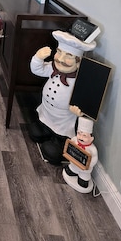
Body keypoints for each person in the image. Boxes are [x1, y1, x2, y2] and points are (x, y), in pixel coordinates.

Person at [28, 30, 96, 164]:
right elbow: (36, 70)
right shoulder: (52, 69)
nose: (60, 59)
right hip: (47, 112)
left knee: (53, 151)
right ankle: (45, 129)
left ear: (78, 62)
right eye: (59, 52)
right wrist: (38, 58)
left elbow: (87, 99)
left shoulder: (80, 81)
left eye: (68, 55)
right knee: (35, 131)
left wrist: (80, 110)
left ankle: (57, 141)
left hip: (63, 122)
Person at [62, 117, 98, 194]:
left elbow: (94, 159)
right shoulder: (74, 140)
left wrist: (89, 164)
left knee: (83, 182)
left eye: (84, 136)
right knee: (71, 169)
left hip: (84, 170)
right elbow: (69, 146)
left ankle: (83, 178)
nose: (81, 137)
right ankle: (73, 170)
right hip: (74, 164)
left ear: (91, 138)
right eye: (79, 134)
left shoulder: (92, 149)